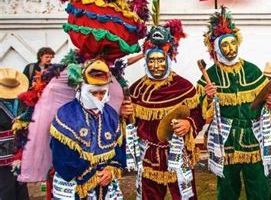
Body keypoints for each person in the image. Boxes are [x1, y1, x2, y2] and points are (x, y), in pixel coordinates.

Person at [198, 6, 271, 200]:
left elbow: (267, 104)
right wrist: (208, 97)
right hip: (225, 140)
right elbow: (201, 111)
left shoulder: (252, 70)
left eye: (233, 43)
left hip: (253, 137)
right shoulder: (211, 75)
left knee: (259, 186)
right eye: (225, 45)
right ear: (216, 48)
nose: (231, 48)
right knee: (227, 189)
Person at [127, 21, 204, 200]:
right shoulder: (136, 89)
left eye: (160, 60)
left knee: (185, 197)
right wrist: (124, 114)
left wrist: (188, 123)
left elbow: (198, 115)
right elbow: (131, 124)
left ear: (168, 60)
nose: (156, 65)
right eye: (151, 61)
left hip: (178, 154)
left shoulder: (184, 87)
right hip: (149, 159)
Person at [50, 59, 126, 199]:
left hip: (106, 183)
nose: (99, 97)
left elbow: (119, 149)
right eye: (93, 93)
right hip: (74, 183)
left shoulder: (111, 115)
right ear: (82, 89)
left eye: (102, 92)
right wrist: (92, 175)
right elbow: (62, 157)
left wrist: (110, 170)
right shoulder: (66, 115)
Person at [0, 68, 29, 200]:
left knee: (21, 188)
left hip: (19, 154)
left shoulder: (22, 101)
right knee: (6, 190)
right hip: (2, 158)